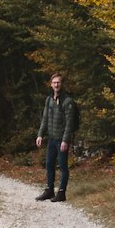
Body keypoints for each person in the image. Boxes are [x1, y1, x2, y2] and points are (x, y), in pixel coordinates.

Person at [35, 74, 76, 202]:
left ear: (61, 84)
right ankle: (49, 190)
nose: (56, 85)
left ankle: (62, 193)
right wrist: (40, 134)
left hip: (62, 139)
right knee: (49, 164)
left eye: (58, 82)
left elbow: (70, 123)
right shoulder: (49, 100)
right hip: (52, 139)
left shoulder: (67, 101)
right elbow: (45, 119)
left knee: (63, 166)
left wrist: (65, 140)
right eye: (54, 82)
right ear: (51, 84)